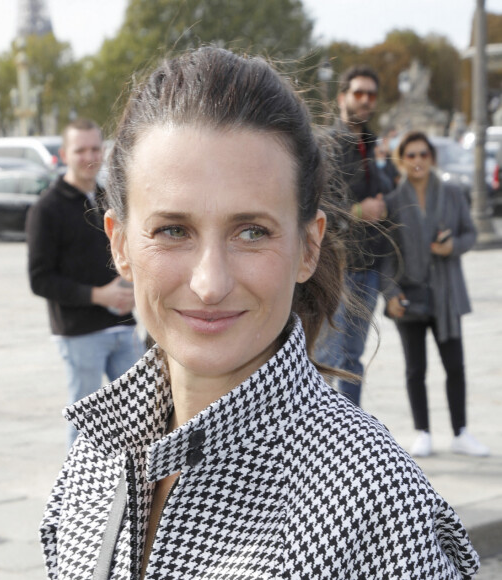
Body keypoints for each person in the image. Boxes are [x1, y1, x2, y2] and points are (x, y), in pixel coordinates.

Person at [39, 49, 479, 579]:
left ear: (309, 247)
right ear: (120, 245)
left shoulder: (373, 504)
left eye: (251, 232)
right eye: (173, 230)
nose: (210, 283)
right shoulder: (95, 453)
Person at [26, 118, 145, 448]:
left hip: (123, 325)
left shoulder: (111, 197)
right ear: (65, 154)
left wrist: (133, 290)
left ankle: (130, 491)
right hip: (79, 332)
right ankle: (77, 497)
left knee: (140, 417)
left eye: (95, 148)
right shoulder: (46, 209)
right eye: (80, 150)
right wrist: (98, 295)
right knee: (87, 426)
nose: (89, 156)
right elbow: (40, 280)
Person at [382, 131, 489, 458]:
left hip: (446, 293)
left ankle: (460, 432)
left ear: (432, 158)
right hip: (410, 295)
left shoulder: (453, 194)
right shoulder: (393, 201)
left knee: (454, 365)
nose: (417, 161)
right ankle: (423, 431)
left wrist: (451, 246)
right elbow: (385, 255)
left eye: (423, 154)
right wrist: (389, 293)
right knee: (416, 369)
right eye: (411, 155)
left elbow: (469, 234)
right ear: (402, 159)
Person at [315, 65, 392, 407]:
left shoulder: (373, 145)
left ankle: (350, 439)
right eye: (358, 93)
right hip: (337, 266)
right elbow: (319, 203)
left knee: (354, 360)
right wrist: (359, 212)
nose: (365, 100)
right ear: (342, 97)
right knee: (326, 358)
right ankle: (316, 443)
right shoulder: (326, 145)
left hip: (370, 266)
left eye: (371, 95)